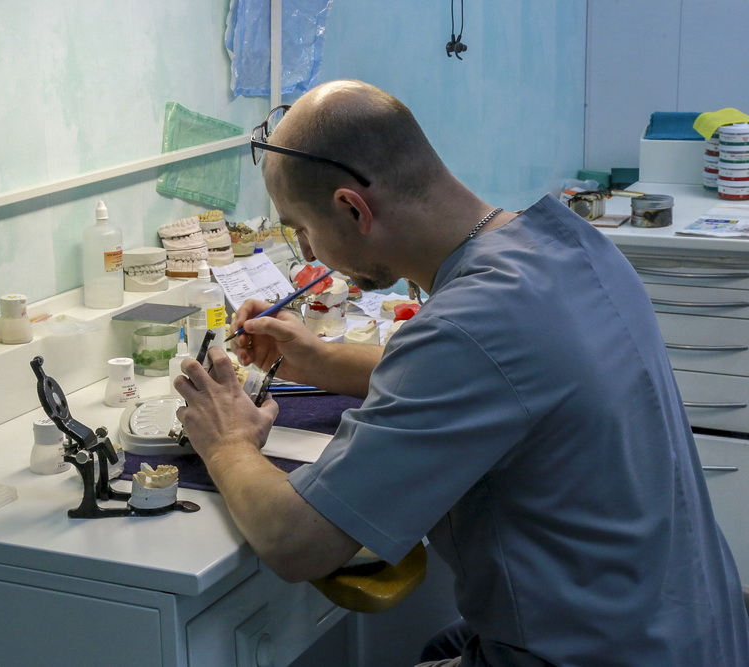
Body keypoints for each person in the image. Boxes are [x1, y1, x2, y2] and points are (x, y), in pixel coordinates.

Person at [172, 80, 749, 666]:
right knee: (440, 645)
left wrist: (227, 440)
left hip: (593, 654)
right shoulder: (566, 245)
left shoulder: (468, 327)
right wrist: (320, 360)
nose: (311, 253)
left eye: (302, 229)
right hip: (694, 629)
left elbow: (297, 542)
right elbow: (499, 378)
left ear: (352, 208)